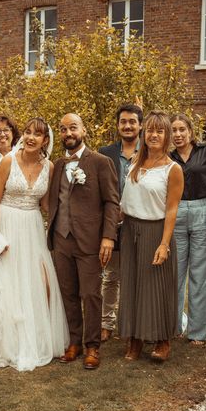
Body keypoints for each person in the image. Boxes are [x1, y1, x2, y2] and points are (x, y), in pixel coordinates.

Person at [0, 118, 69, 371]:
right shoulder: (8, 161)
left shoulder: (48, 166)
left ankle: (36, 337)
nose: (30, 138)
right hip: (7, 223)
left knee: (39, 281)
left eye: (37, 134)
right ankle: (7, 344)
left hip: (33, 226)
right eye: (27, 132)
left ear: (45, 140)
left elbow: (47, 205)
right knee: (8, 282)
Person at [47, 113, 120, 369]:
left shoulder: (101, 162)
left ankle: (92, 346)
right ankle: (74, 342)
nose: (68, 133)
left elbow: (112, 201)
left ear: (84, 131)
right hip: (61, 238)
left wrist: (108, 237)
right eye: (63, 129)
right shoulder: (57, 165)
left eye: (73, 128)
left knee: (90, 294)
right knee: (67, 293)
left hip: (89, 240)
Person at [119, 111, 184, 361]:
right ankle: (134, 338)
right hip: (130, 230)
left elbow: (172, 209)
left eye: (159, 130)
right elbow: (127, 201)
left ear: (167, 135)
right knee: (132, 284)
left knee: (157, 287)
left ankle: (162, 340)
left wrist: (164, 244)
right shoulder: (135, 161)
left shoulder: (173, 169)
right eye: (150, 130)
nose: (153, 135)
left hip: (156, 230)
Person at [170, 113, 206, 346]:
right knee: (174, 274)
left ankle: (198, 331)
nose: (178, 134)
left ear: (190, 131)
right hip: (175, 212)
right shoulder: (167, 158)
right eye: (173, 131)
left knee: (201, 274)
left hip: (203, 210)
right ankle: (174, 324)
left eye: (182, 129)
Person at [98, 104, 142, 342]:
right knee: (111, 275)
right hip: (113, 223)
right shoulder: (105, 153)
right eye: (123, 121)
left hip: (140, 222)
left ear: (140, 125)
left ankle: (132, 322)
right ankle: (106, 322)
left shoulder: (148, 151)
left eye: (132, 122)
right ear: (118, 125)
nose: (127, 126)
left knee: (136, 275)